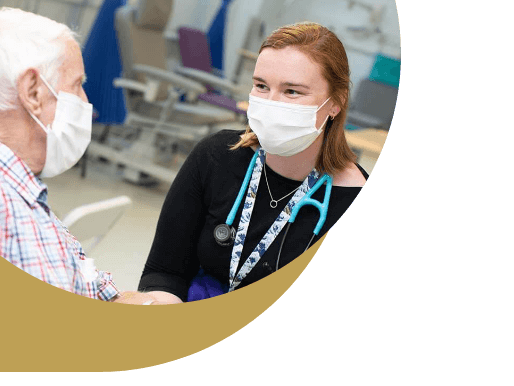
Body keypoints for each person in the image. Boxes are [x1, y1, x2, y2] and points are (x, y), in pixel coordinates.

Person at [0, 7, 150, 303]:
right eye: (77, 85)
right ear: (32, 92)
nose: (87, 103)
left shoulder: (22, 192)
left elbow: (92, 286)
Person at [134, 22, 369, 304]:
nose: (271, 103)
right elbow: (165, 272)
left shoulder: (349, 199)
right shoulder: (215, 156)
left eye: (292, 91)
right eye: (261, 86)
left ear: (335, 103)